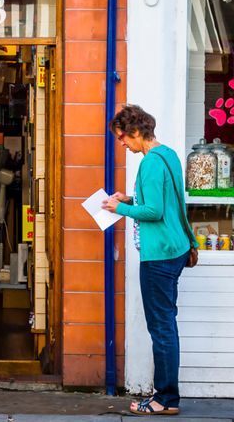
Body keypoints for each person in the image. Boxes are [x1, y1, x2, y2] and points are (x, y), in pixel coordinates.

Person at [103, 104, 195, 416]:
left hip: (160, 255)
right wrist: (129, 199)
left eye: (122, 137)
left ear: (136, 132)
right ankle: (167, 396)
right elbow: (163, 201)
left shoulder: (150, 163)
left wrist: (120, 209)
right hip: (175, 249)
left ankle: (165, 399)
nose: (121, 143)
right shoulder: (167, 154)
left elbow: (154, 212)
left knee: (161, 328)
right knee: (166, 324)